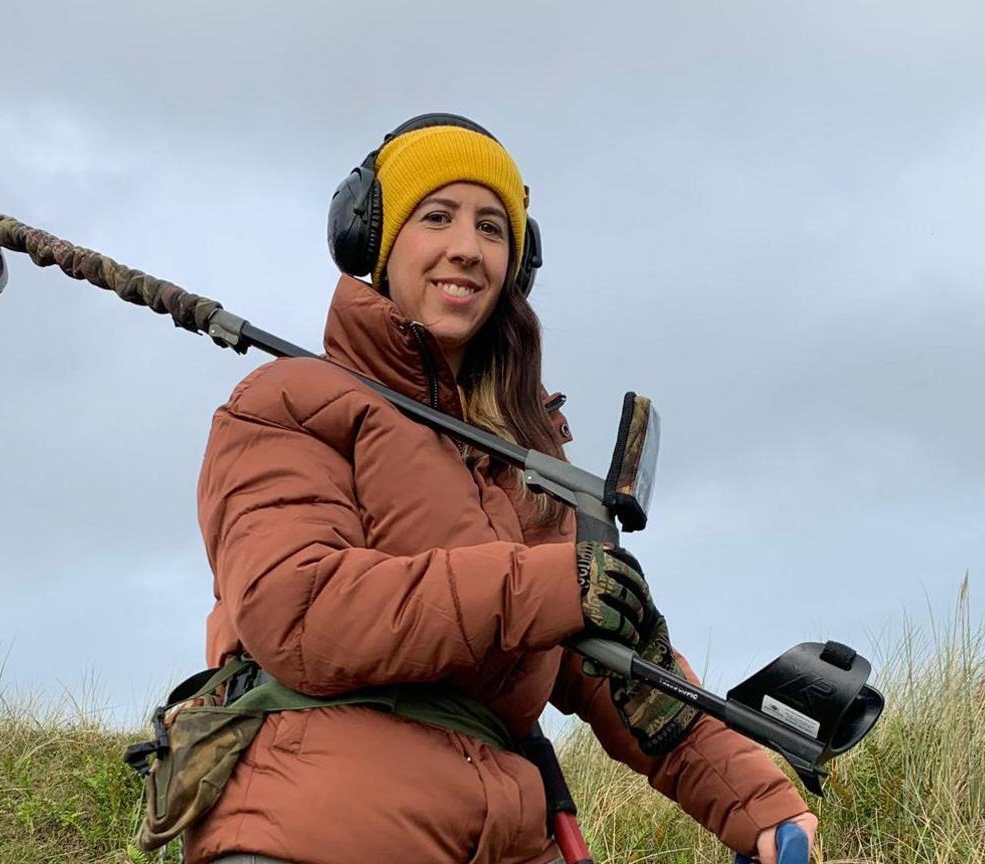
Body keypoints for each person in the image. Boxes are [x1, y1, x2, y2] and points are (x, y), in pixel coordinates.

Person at [187, 114, 817, 864]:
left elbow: (618, 674)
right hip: (316, 827)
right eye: (437, 217)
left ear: (516, 263)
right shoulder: (288, 401)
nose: (466, 247)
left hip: (507, 832)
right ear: (373, 240)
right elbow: (302, 611)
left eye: (492, 227)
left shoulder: (524, 464)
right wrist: (546, 586)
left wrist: (766, 810)